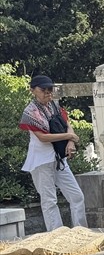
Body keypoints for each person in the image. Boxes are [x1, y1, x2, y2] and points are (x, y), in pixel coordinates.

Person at [19, 74, 87, 230]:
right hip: (41, 160)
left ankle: (81, 231)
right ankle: (57, 237)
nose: (47, 93)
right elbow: (42, 137)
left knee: (77, 196)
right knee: (49, 201)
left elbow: (67, 124)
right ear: (33, 90)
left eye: (49, 89)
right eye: (43, 90)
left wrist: (70, 141)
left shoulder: (54, 105)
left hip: (58, 159)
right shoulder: (30, 112)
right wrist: (69, 136)